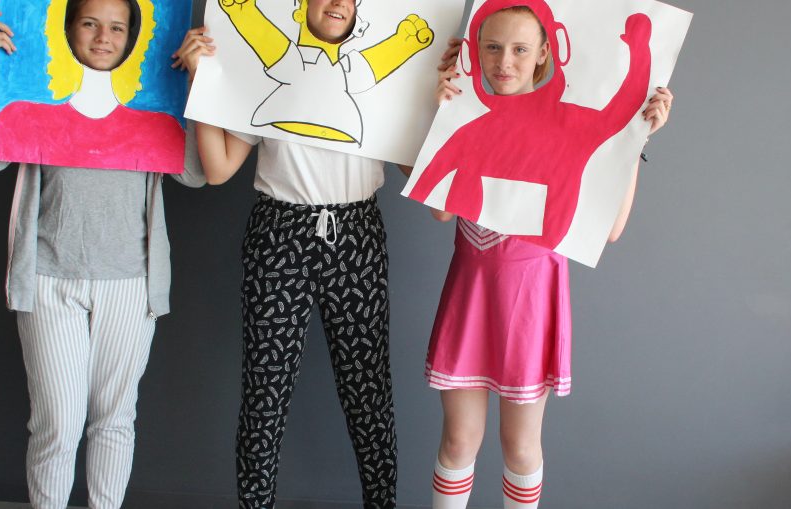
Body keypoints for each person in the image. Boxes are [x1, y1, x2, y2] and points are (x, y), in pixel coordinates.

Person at [172, 0, 429, 505]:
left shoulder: (373, 80)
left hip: (356, 234)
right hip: (279, 233)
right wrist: (201, 83)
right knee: (264, 396)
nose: (338, 4)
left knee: (369, 394)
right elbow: (219, 169)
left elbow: (419, 171)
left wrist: (434, 88)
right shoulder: (272, 66)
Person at [423, 3, 674, 508]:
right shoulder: (470, 119)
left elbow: (611, 229)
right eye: (493, 47)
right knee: (458, 442)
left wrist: (636, 136)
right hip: (471, 295)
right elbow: (441, 211)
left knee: (520, 447)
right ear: (476, 50)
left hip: (531, 303)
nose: (504, 61)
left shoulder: (568, 127)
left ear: (544, 53)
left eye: (520, 49)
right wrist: (442, 112)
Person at [0, 1, 203, 507]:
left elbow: (195, 173)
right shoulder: (34, 109)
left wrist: (196, 84)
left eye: (116, 27)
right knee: (57, 424)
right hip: (49, 279)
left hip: (130, 283)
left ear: (132, 38)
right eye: (90, 24)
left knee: (114, 420)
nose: (102, 37)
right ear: (68, 30)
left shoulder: (153, 112)